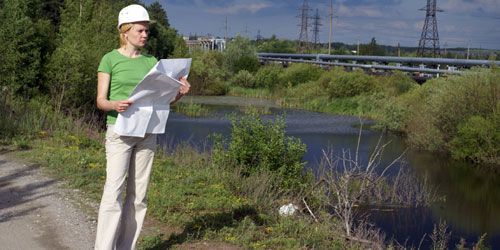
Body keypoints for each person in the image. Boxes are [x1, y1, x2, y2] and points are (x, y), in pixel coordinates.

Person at [94, 4, 190, 250]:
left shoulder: (152, 62)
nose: (145, 34)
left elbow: (162, 99)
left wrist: (179, 94)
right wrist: (115, 104)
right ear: (125, 31)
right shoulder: (110, 59)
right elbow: (101, 101)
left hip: (147, 132)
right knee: (113, 193)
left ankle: (127, 247)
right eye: (140, 30)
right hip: (120, 132)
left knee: (139, 197)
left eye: (147, 30)